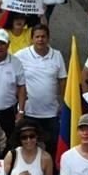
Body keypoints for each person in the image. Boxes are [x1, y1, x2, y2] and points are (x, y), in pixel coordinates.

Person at [15, 24, 66, 159]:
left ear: (48, 38)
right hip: (29, 111)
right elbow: (11, 77)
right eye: (37, 36)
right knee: (28, 145)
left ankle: (51, 174)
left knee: (52, 144)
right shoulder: (21, 55)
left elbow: (62, 81)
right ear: (32, 39)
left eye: (43, 36)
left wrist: (62, 103)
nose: (40, 39)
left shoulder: (57, 55)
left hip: (51, 112)